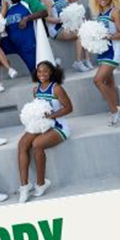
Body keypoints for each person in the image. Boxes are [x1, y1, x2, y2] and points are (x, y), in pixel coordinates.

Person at [17, 61, 73, 203]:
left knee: (37, 144)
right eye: (39, 71)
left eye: (45, 71)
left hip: (58, 126)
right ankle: (24, 186)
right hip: (42, 125)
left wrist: (51, 115)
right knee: (22, 144)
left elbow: (69, 108)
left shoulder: (57, 88)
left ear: (51, 73)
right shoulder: (36, 90)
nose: (42, 74)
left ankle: (41, 183)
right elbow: (37, 108)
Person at [90, 0, 120, 126]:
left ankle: (114, 111)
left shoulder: (115, 12)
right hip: (103, 51)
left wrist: (108, 37)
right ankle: (117, 112)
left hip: (114, 50)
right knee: (108, 82)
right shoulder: (99, 15)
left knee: (97, 80)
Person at [43, 0, 89, 73]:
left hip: (65, 26)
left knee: (84, 30)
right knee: (80, 33)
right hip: (56, 29)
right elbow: (47, 18)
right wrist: (61, 20)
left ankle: (86, 60)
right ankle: (78, 62)